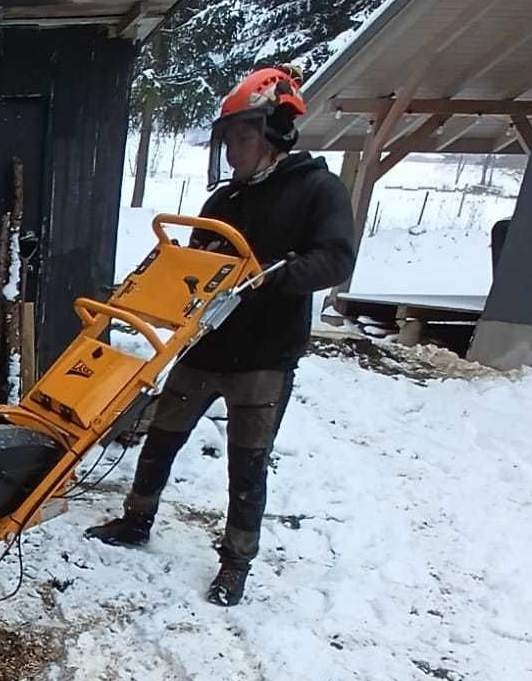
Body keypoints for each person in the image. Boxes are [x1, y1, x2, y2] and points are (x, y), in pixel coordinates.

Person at [86, 64, 357, 606]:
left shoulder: (316, 190)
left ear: (275, 133)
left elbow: (335, 259)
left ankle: (236, 561)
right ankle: (136, 519)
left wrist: (274, 275)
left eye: (244, 137)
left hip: (264, 355)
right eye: (228, 139)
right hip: (205, 342)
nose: (233, 151)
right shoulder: (223, 201)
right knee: (161, 438)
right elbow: (194, 260)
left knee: (247, 461)